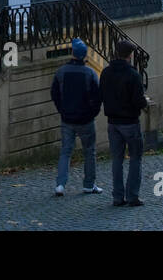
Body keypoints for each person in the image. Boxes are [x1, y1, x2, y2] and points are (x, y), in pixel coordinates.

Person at [50, 38, 103, 196]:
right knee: (89, 151)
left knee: (65, 151)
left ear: (72, 53)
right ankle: (89, 184)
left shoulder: (61, 72)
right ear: (84, 56)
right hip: (85, 119)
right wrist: (92, 113)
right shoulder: (90, 73)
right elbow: (97, 97)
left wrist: (62, 110)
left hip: (67, 118)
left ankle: (60, 184)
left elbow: (54, 93)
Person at [99, 38, 148, 207]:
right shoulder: (133, 75)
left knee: (117, 160)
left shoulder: (106, 73)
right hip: (130, 122)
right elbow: (138, 100)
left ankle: (117, 197)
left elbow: (102, 94)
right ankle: (132, 196)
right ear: (130, 55)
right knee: (135, 158)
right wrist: (145, 102)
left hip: (113, 122)